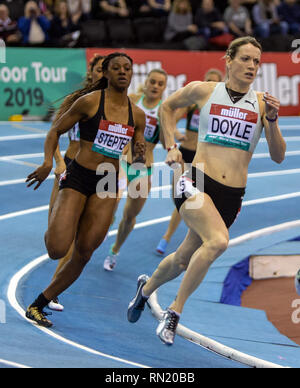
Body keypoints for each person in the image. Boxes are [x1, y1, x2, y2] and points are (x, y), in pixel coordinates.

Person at [127, 36, 286, 346]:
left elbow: (279, 156)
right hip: (196, 180)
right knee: (218, 242)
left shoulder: (262, 103)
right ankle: (174, 312)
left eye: (257, 61)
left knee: (184, 258)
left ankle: (145, 290)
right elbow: (168, 109)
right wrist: (171, 146)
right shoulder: (204, 91)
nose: (252, 66)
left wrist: (273, 120)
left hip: (231, 196)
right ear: (228, 59)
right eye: (245, 59)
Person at [25, 52, 146, 328]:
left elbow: (138, 147)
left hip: (107, 182)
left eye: (127, 68)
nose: (123, 72)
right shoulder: (90, 102)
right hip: (79, 176)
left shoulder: (137, 114)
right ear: (106, 73)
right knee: (57, 249)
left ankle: (39, 304)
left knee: (85, 252)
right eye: (116, 68)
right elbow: (55, 130)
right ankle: (61, 219)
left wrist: (139, 153)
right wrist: (48, 162)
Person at [46, 54, 105, 312]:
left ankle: (52, 290)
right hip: (68, 167)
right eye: (100, 69)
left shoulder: (117, 106)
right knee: (56, 234)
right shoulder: (76, 101)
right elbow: (55, 133)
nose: (104, 74)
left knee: (77, 237)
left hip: (96, 175)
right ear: (91, 71)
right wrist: (57, 162)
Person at [103, 68, 169, 271]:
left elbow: (168, 140)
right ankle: (106, 220)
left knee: (130, 217)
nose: (155, 86)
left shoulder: (163, 111)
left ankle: (115, 250)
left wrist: (173, 141)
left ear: (164, 88)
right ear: (146, 82)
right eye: (153, 82)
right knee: (111, 198)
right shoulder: (132, 100)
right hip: (123, 161)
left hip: (144, 168)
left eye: (160, 84)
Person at [156, 68, 224, 256]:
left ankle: (167, 237)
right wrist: (177, 135)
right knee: (177, 198)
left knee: (188, 199)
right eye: (207, 80)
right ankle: (191, 232)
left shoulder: (219, 110)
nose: (210, 83)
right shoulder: (193, 104)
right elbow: (170, 118)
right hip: (185, 154)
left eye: (214, 81)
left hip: (202, 160)